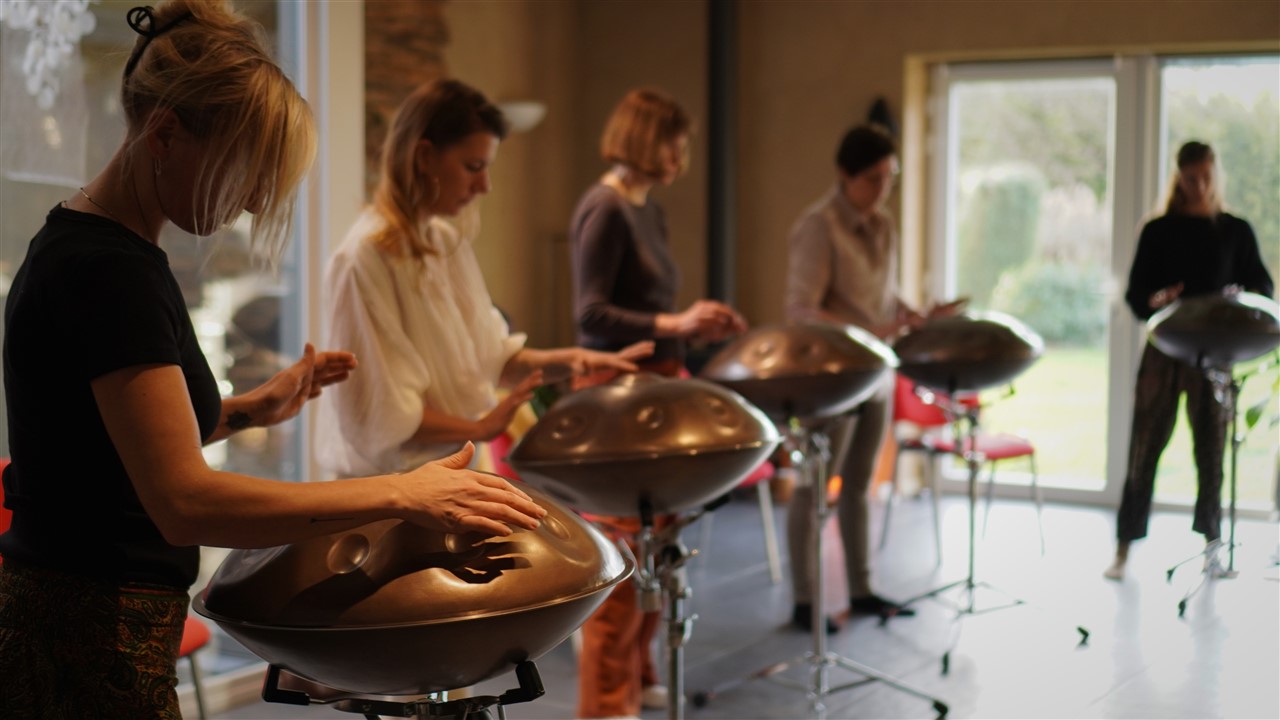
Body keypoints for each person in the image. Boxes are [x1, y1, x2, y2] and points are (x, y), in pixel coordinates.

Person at [0, 4, 545, 718]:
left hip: (95, 620)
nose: (255, 200)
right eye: (244, 172)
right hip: (84, 630)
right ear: (165, 133)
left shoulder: (107, 250)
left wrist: (253, 408)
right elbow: (184, 501)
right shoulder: (106, 271)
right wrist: (400, 493)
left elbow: (109, 444)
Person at [314, 78, 650, 479]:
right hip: (390, 492)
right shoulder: (363, 259)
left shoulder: (442, 240)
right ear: (423, 156)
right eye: (473, 167)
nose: (484, 185)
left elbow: (497, 361)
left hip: (448, 476)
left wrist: (576, 361)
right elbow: (382, 417)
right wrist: (479, 428)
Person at [568, 87, 747, 719]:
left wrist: (691, 328)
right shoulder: (605, 208)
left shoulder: (650, 209)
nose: (683, 155)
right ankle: (605, 707)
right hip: (614, 406)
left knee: (657, 558)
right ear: (648, 138)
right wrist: (677, 322)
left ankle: (639, 680)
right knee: (620, 574)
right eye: (677, 141)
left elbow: (648, 314)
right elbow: (590, 316)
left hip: (654, 395)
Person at [783, 123, 965, 632]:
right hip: (833, 375)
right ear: (845, 175)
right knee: (814, 486)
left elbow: (885, 297)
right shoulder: (818, 226)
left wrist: (915, 315)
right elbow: (800, 309)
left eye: (890, 177)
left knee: (862, 485)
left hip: (878, 373)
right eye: (874, 178)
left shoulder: (883, 225)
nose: (883, 187)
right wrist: (869, 329)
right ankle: (804, 600)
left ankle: (861, 588)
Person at [1104, 140, 1274, 581]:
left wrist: (1241, 297)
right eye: (1190, 177)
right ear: (1178, 177)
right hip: (1163, 353)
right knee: (1144, 450)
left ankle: (1212, 549)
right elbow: (1136, 297)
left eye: (1205, 177)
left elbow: (1263, 289)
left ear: (1215, 175)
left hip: (1213, 357)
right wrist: (1157, 299)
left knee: (1211, 454)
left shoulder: (1235, 230)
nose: (1198, 185)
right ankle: (1123, 550)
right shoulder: (1157, 230)